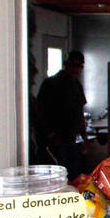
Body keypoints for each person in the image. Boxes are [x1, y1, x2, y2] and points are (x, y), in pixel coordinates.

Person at [36, 49, 88, 177]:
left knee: (74, 174)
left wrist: (85, 137)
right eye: (73, 65)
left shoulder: (76, 85)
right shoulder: (51, 83)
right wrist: (51, 134)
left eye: (79, 66)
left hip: (72, 139)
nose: (75, 69)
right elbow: (40, 112)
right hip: (55, 140)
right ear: (66, 64)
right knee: (58, 175)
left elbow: (80, 112)